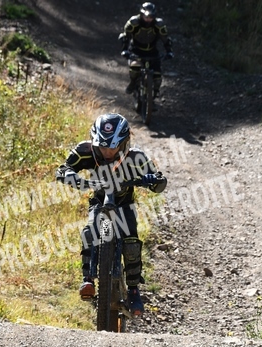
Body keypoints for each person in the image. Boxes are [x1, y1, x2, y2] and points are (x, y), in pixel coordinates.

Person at [55, 113, 167, 316]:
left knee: (131, 243)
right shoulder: (85, 151)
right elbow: (63, 169)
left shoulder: (136, 157)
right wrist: (73, 177)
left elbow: (157, 180)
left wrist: (153, 181)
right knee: (90, 232)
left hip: (125, 205)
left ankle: (134, 291)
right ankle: (88, 280)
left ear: (124, 144)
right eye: (102, 147)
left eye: (113, 148)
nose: (107, 152)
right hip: (99, 202)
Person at [119, 2, 174, 97]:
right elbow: (125, 36)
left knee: (157, 77)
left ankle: (154, 94)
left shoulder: (159, 24)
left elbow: (165, 39)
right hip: (136, 50)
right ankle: (133, 83)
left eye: (151, 17)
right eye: (146, 17)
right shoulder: (134, 22)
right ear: (141, 15)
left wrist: (169, 51)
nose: (148, 19)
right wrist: (125, 50)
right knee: (134, 69)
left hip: (152, 51)